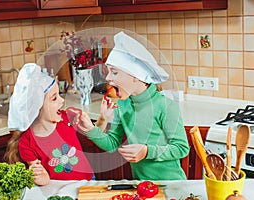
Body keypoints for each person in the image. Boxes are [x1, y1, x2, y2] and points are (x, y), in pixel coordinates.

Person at [76, 31, 190, 180]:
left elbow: (182, 148)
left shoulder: (165, 106)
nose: (108, 78)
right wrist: (92, 130)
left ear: (136, 77)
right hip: (140, 185)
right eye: (109, 72)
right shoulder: (123, 105)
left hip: (172, 186)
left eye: (114, 73)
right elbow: (112, 144)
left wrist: (147, 152)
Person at [4, 63, 96, 186]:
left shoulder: (66, 118)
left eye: (59, 95)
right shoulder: (27, 142)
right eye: (54, 98)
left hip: (88, 182)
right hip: (59, 190)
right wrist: (39, 176)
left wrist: (103, 119)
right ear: (37, 107)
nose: (62, 100)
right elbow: (43, 177)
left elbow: (94, 134)